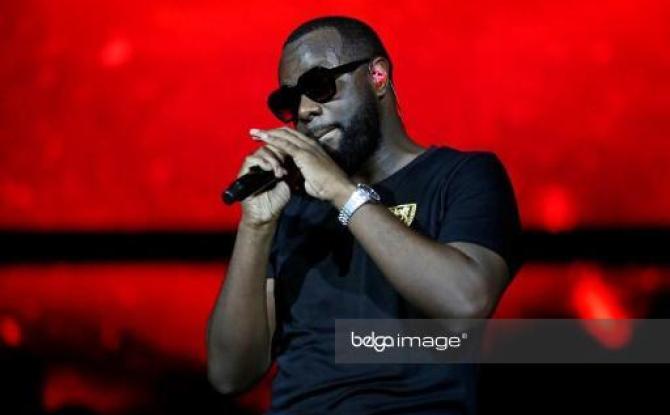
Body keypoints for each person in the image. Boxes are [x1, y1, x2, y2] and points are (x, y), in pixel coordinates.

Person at [207, 16, 522, 414]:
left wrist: (342, 192)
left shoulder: (462, 177)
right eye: (290, 101)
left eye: (319, 85)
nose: (305, 110)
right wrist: (256, 225)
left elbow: (464, 302)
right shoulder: (292, 210)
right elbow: (229, 374)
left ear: (377, 76)